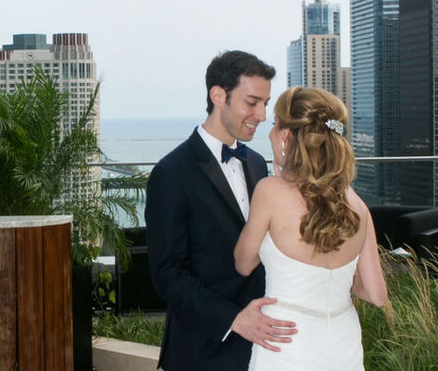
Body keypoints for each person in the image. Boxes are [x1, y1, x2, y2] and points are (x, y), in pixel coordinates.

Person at [146, 50, 297, 371]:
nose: (261, 114)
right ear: (218, 96)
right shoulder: (171, 172)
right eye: (252, 102)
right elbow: (167, 273)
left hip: (261, 347)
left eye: (266, 104)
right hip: (202, 349)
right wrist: (233, 319)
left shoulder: (257, 163)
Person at [234, 86, 387, 370]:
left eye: (274, 125)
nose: (270, 133)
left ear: (287, 136)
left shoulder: (270, 192)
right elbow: (376, 294)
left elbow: (243, 264)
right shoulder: (357, 205)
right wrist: (335, 279)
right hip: (344, 344)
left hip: (286, 343)